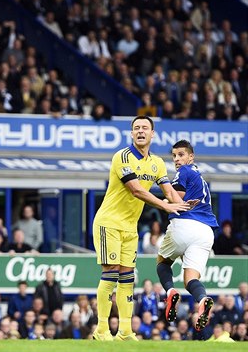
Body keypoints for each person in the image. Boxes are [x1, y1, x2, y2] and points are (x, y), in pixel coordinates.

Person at [91, 116, 191, 341]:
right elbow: (136, 190)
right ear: (131, 134)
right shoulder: (122, 157)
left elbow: (168, 191)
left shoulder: (156, 163)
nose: (140, 131)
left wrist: (186, 206)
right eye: (136, 128)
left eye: (145, 128)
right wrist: (167, 206)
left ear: (152, 133)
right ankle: (101, 330)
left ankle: (125, 331)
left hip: (129, 227)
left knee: (127, 278)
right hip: (109, 223)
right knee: (111, 273)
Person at [156, 140, 219, 332]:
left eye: (181, 155)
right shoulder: (200, 178)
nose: (176, 159)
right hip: (206, 232)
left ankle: (170, 291)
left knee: (163, 262)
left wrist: (159, 200)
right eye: (174, 156)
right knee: (191, 279)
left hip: (185, 224)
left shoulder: (184, 171)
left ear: (191, 157)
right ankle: (203, 299)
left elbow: (177, 197)